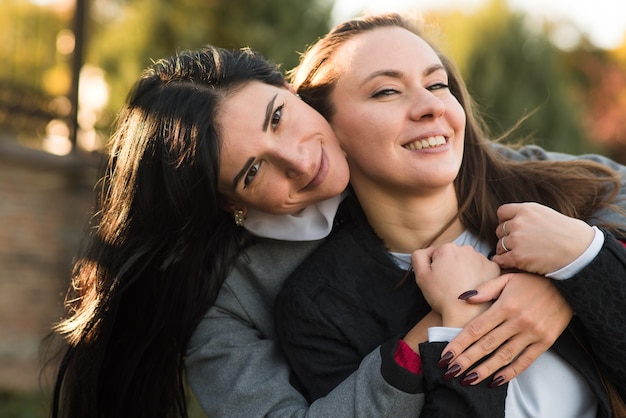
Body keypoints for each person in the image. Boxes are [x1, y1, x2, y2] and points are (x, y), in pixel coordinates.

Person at [49, 41, 626, 418]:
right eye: (253, 171)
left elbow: (587, 183)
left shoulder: (412, 158)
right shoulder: (229, 308)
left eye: (279, 117)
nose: (299, 161)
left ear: (302, 99)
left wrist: (565, 281)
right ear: (230, 204)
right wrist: (444, 323)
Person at [275, 12, 626, 417]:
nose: (429, 106)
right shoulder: (320, 308)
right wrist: (454, 323)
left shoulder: (565, 201)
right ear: (327, 130)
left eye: (437, 84)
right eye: (387, 91)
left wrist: (582, 261)